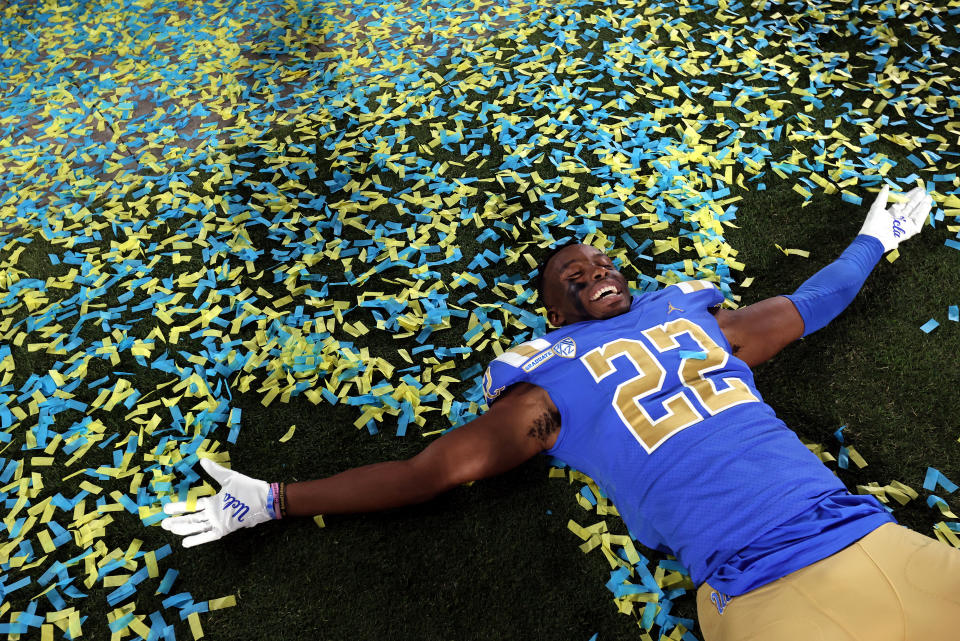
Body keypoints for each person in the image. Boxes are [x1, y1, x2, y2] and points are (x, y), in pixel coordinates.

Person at [162, 185, 960, 640]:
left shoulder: (695, 322)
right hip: (769, 591)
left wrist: (873, 236)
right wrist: (273, 499)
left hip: (866, 531)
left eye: (602, 260)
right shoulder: (546, 388)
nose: (595, 270)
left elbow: (810, 304)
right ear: (551, 313)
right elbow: (428, 471)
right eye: (572, 272)